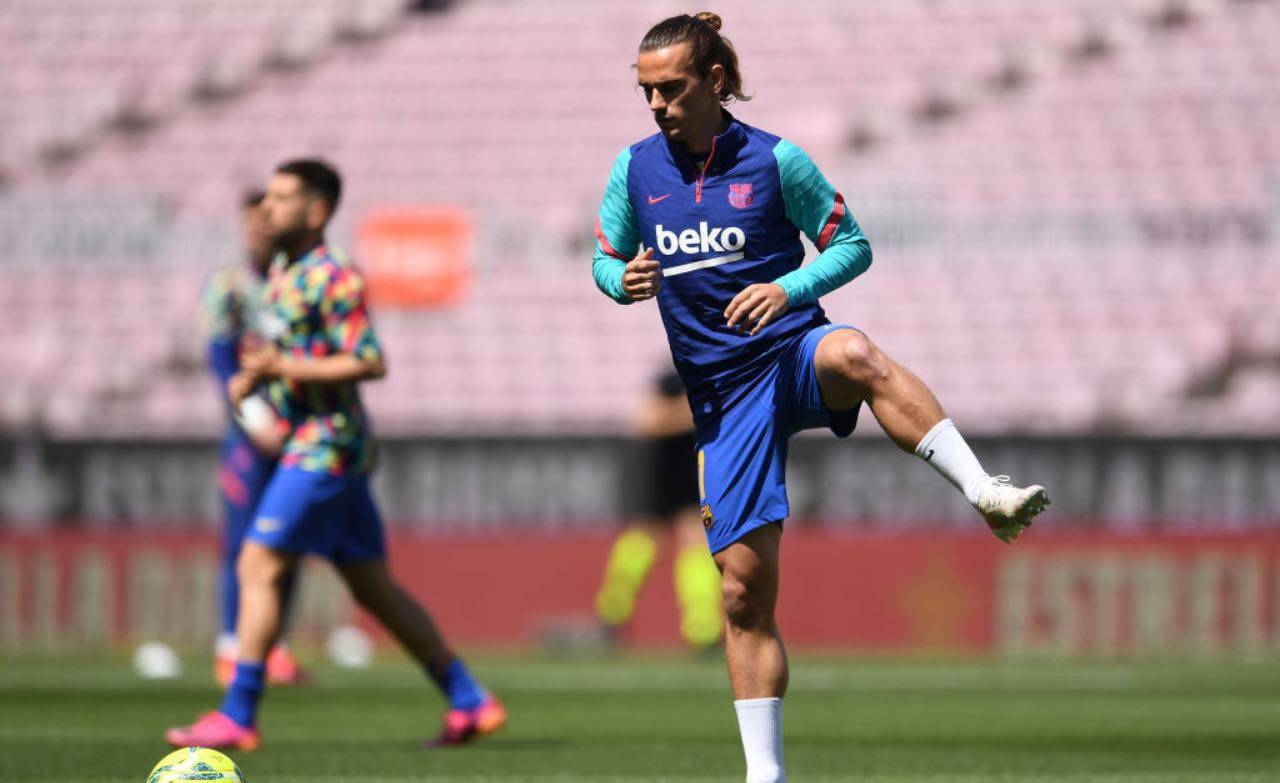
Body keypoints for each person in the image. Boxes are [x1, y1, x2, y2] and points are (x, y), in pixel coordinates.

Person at [591, 14, 1050, 782]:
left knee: (856, 349)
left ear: (712, 81)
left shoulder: (776, 160)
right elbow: (605, 259)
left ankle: (986, 490)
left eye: (669, 89)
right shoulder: (633, 171)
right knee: (742, 593)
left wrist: (788, 287)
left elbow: (852, 244)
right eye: (644, 92)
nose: (655, 106)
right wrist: (621, 281)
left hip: (791, 352)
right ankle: (766, 775)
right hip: (723, 396)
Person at [168, 159, 505, 751]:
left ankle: (238, 713)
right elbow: (291, 352)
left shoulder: (333, 275)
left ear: (316, 211)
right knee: (374, 587)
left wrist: (282, 368)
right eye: (266, 197)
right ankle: (469, 699)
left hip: (326, 443)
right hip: (320, 441)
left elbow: (369, 360)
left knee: (258, 563)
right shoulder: (281, 272)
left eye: (282, 198)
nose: (267, 208)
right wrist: (258, 380)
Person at [199, 189, 305, 689]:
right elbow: (221, 360)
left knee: (290, 542)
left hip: (300, 432)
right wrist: (254, 415)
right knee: (243, 544)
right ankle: (229, 645)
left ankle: (274, 645)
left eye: (267, 218)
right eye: (252, 221)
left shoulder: (298, 282)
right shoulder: (230, 286)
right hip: (249, 436)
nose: (261, 228)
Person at [595, 369, 723, 651]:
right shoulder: (674, 378)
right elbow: (646, 421)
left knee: (697, 544)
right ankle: (612, 613)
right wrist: (696, 411)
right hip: (663, 470)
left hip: (697, 468)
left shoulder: (717, 373)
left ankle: (703, 629)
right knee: (645, 540)